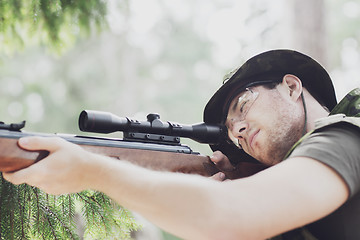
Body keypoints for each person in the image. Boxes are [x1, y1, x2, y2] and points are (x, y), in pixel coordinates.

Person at [3, 49, 360, 240]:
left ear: (292, 87)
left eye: (242, 105)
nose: (237, 129)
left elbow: (230, 215)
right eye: (231, 131)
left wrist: (94, 170)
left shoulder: (345, 136)